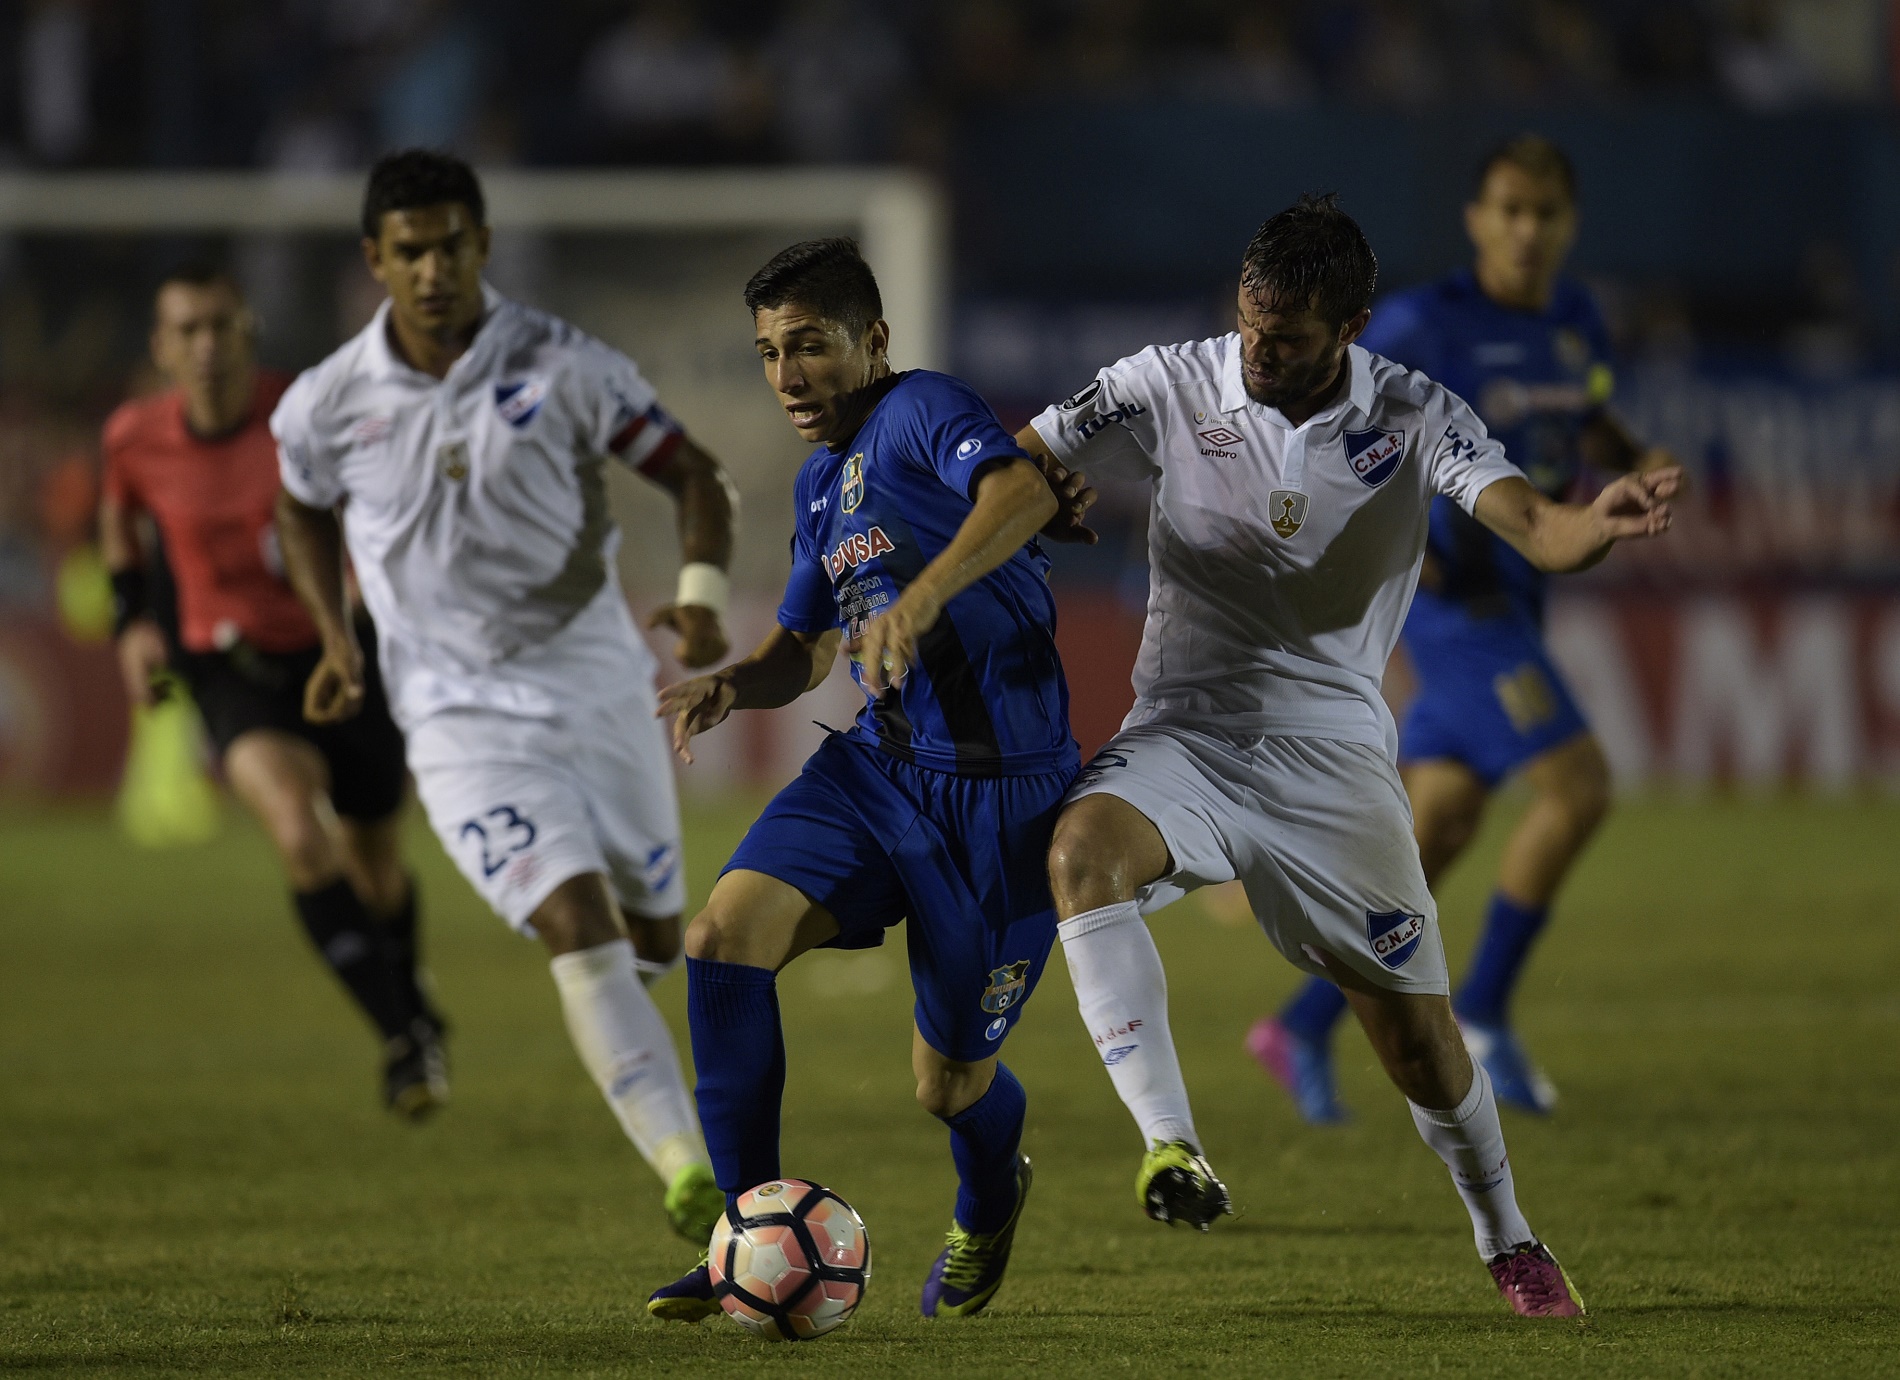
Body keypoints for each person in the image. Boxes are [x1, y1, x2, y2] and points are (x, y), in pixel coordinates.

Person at [1020, 194, 1681, 1316]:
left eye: (1286, 338)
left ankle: (1507, 1235)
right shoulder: (1167, 381)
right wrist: (1037, 491)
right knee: (1081, 852)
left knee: (1417, 1046)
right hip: (1183, 733)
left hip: (1332, 762)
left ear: (1352, 326)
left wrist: (1594, 523)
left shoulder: (1418, 414)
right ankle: (1171, 1147)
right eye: (1247, 324)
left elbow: (1536, 523)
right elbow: (1016, 460)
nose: (1257, 351)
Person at [271, 149, 735, 1243]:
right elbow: (298, 508)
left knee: (657, 939)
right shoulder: (325, 403)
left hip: (597, 685)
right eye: (409, 251)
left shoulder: (566, 366)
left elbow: (692, 473)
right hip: (452, 714)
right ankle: (688, 1172)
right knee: (570, 917)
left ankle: (641, 1042)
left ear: (481, 246)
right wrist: (337, 637)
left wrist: (701, 600)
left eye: (451, 245)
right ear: (375, 262)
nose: (433, 268)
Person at [645, 238, 1079, 1323]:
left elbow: (1021, 493)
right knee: (719, 938)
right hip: (876, 770)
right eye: (767, 354)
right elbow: (805, 648)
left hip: (1002, 798)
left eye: (810, 346)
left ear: (871, 341)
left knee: (948, 1087)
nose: (787, 375)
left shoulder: (925, 409)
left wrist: (922, 600)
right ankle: (741, 1236)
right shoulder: (816, 482)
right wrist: (733, 685)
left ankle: (990, 1195)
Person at [1253, 136, 1677, 1122]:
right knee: (1577, 787)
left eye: (1546, 214)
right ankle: (1482, 1012)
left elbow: (1593, 426)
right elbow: (1317, 423)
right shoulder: (1420, 324)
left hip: (1521, 595)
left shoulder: (1576, 322)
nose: (1526, 231)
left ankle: (1300, 1024)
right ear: (1477, 218)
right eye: (1509, 210)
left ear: (1569, 225)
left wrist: (1643, 457)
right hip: (1449, 601)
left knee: (1436, 830)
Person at [101, 264, 443, 1118]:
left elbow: (375, 512)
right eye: (188, 330)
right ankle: (405, 1038)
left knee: (376, 864)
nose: (206, 346)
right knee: (299, 832)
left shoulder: (305, 417)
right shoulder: (133, 438)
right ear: (162, 346)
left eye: (220, 326)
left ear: (247, 332)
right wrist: (131, 620)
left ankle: (407, 994)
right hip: (231, 670)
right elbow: (121, 522)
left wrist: (367, 603)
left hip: (339, 658)